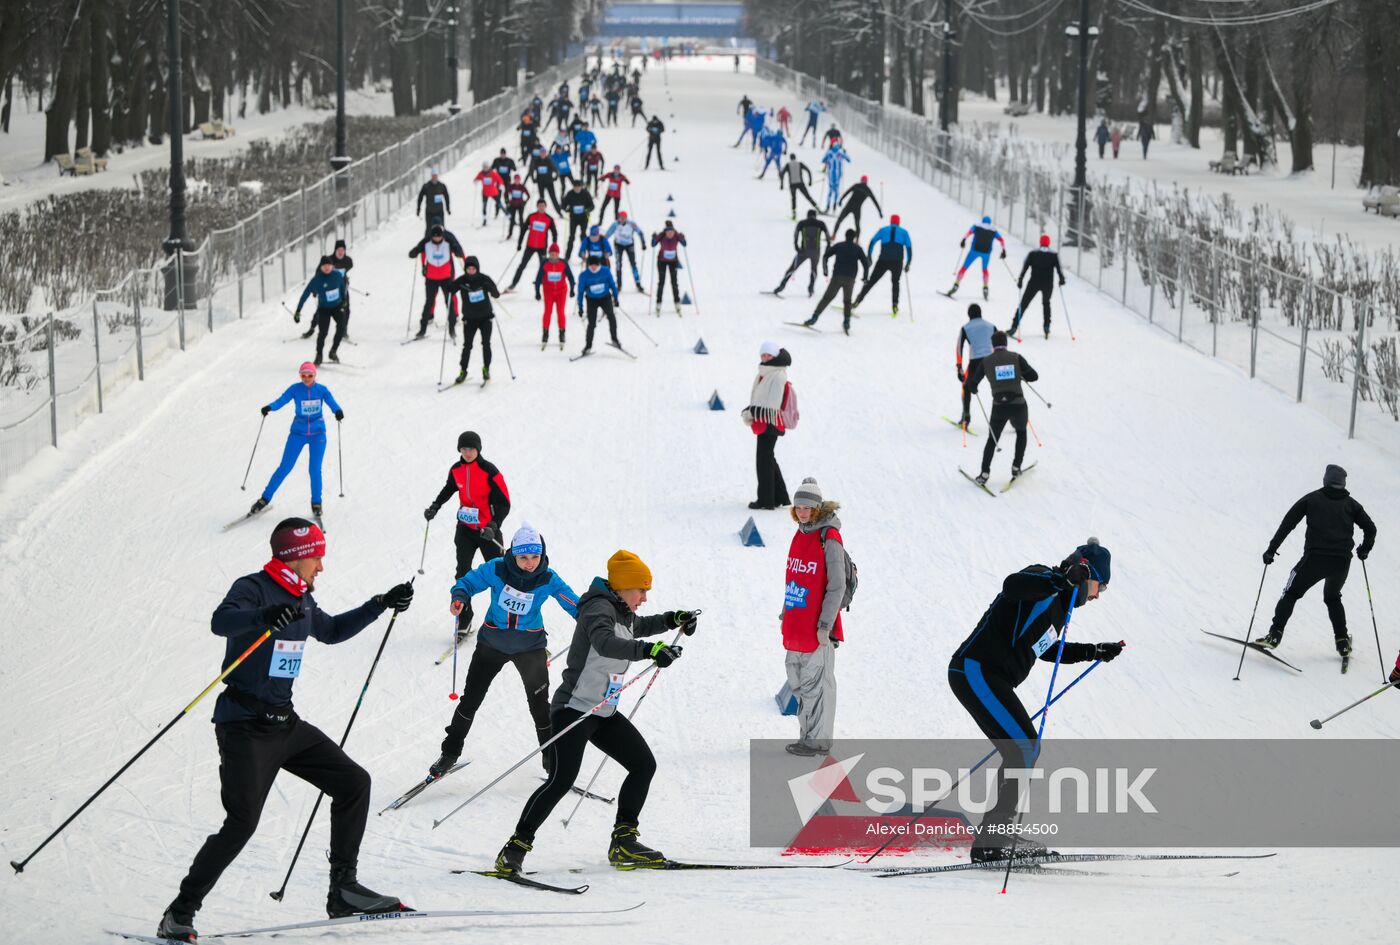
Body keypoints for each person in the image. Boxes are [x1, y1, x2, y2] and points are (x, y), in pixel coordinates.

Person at [155, 520, 415, 943]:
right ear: (297, 556)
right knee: (241, 824)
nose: (321, 567)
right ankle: (179, 913)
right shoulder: (255, 588)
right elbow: (221, 622)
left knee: (353, 782)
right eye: (318, 557)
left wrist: (380, 603)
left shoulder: (302, 597)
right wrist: (263, 616)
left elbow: (330, 632)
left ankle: (343, 891)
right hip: (244, 727)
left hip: (284, 724)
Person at [493, 551, 697, 875]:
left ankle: (624, 843)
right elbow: (605, 643)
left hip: (601, 711)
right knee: (562, 779)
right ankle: (514, 849)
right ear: (624, 587)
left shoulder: (622, 610)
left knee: (643, 765)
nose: (644, 598)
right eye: (641, 590)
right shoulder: (597, 608)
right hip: (573, 709)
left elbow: (639, 626)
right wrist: (649, 651)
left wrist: (674, 619)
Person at [948, 539, 1120, 862]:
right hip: (976, 670)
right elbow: (1012, 585)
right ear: (1087, 575)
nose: (1098, 596)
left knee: (1024, 747)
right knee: (1025, 746)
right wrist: (1061, 579)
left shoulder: (1058, 607)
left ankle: (994, 838)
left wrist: (1093, 651)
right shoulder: (1043, 580)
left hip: (989, 677)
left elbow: (1048, 649)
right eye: (1102, 586)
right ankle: (993, 842)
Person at [428, 523, 581, 779]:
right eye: (523, 557)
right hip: (492, 645)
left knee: (540, 706)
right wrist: (460, 598)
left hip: (530, 648)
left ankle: (550, 756)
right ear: (513, 554)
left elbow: (574, 604)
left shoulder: (548, 578)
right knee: (471, 700)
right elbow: (467, 582)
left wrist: (594, 620)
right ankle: (450, 753)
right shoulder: (497, 568)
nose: (530, 563)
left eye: (535, 557)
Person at [1256, 465, 1376, 660]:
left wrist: (1271, 549)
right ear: (1343, 483)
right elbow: (1371, 529)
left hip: (1314, 560)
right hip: (1341, 563)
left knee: (1291, 593)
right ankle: (1342, 642)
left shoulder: (1312, 499)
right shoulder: (1352, 505)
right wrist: (1364, 549)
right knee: (1332, 597)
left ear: (1325, 480)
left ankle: (1274, 635)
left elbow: (1288, 524)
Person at [781, 477, 846, 757]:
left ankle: (816, 741)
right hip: (796, 622)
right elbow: (795, 576)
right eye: (798, 506)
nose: (803, 511)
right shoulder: (801, 532)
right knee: (797, 681)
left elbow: (837, 584)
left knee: (817, 685)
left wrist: (825, 624)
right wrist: (786, 611)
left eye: (808, 507)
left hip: (817, 627)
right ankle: (807, 736)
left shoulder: (828, 537)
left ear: (818, 507)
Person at [424, 431, 511, 628]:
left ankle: (503, 619)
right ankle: (465, 619)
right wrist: (435, 507)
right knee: (462, 574)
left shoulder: (489, 471)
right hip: (465, 530)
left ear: (478, 449)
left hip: (487, 531)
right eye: (464, 449)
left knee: (500, 574)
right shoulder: (456, 470)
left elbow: (504, 503)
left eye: (471, 449)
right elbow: (448, 489)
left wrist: (494, 524)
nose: (468, 452)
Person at [250, 362, 342, 518]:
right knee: (285, 467)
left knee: (314, 469)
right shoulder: (295, 389)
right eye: (303, 375)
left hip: (318, 434)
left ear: (315, 376)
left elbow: (332, 402)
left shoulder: (321, 390)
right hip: (298, 433)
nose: (306, 378)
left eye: (310, 375)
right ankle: (264, 498)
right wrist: (270, 407)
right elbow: (282, 400)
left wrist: (337, 411)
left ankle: (316, 502)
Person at [969, 331, 1038, 485]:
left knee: (992, 440)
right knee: (1021, 433)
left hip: (999, 407)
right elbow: (1034, 376)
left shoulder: (986, 361)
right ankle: (1016, 467)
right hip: (1018, 405)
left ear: (992, 345)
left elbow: (972, 384)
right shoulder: (1016, 357)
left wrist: (974, 389)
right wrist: (1021, 374)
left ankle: (984, 473)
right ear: (1006, 343)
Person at [742, 341, 793, 510]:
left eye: (768, 355)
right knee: (768, 458)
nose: (765, 357)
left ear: (775, 356)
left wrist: (753, 412)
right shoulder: (764, 372)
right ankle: (779, 496)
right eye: (763, 355)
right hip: (763, 421)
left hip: (770, 422)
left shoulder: (778, 374)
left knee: (763, 461)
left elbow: (773, 403)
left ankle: (765, 500)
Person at [805, 229, 869, 333]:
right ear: (854, 237)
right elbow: (865, 263)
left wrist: (825, 270)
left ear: (845, 235)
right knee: (847, 301)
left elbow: (826, 256)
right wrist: (865, 277)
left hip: (837, 276)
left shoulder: (839, 246)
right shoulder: (858, 248)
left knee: (827, 298)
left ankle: (814, 317)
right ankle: (847, 322)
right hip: (850, 278)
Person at [452, 256, 502, 385]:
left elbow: (496, 294)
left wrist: (491, 288)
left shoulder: (484, 279)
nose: (471, 271)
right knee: (467, 346)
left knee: (486, 343)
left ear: (477, 268)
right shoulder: (462, 281)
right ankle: (463, 371)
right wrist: (449, 287)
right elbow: (451, 289)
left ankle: (486, 368)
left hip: (485, 317)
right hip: (469, 319)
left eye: (473, 268)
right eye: (469, 269)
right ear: (466, 269)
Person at [409, 225, 465, 339]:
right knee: (429, 303)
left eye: (439, 237)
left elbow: (459, 252)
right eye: (435, 237)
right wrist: (415, 252)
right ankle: (422, 329)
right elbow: (413, 252)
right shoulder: (426, 244)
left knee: (449, 303)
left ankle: (452, 329)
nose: (437, 239)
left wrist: (457, 250)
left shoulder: (448, 243)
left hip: (446, 278)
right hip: (431, 279)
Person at [292, 256, 348, 366]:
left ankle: (333, 352)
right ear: (321, 267)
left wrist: (344, 300)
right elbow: (305, 295)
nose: (327, 267)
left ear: (332, 266)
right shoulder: (316, 280)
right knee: (323, 333)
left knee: (341, 327)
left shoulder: (337, 275)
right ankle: (319, 355)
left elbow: (342, 287)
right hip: (324, 309)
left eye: (329, 265)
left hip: (337, 306)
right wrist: (298, 311)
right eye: (324, 266)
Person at [854, 214, 912, 315]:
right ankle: (895, 305)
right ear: (898, 222)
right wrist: (908, 264)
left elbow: (872, 242)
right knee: (895, 282)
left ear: (891, 221)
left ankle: (857, 302)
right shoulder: (904, 232)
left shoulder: (883, 230)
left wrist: (869, 256)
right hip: (897, 262)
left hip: (883, 261)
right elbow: (909, 249)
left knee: (871, 282)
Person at [1011, 235, 1066, 339]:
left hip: (1034, 282)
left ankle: (1014, 327)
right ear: (1048, 243)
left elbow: (1025, 266)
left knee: (1024, 303)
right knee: (1046, 303)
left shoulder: (1033, 253)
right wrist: (1061, 279)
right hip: (1047, 284)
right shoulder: (1054, 255)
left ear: (1040, 242)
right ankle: (1046, 326)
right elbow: (1059, 268)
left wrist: (1021, 279)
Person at [955, 304, 997, 429]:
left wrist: (959, 367)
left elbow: (959, 348)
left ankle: (966, 416)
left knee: (966, 387)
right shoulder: (991, 326)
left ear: (969, 315)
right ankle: (1012, 416)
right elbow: (1000, 345)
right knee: (1002, 385)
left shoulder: (965, 328)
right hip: (992, 360)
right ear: (980, 313)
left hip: (975, 363)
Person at [773, 209, 829, 297]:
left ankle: (781, 286)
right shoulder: (821, 223)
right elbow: (827, 235)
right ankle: (811, 287)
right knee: (814, 269)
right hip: (816, 251)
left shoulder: (802, 223)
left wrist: (796, 245)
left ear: (807, 215)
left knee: (792, 268)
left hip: (803, 251)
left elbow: (796, 234)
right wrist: (828, 246)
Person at [949, 216, 1006, 300]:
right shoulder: (993, 230)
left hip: (974, 250)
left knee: (964, 267)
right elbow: (1001, 240)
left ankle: (956, 285)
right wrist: (1003, 250)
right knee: (985, 269)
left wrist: (964, 240)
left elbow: (968, 233)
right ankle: (985, 287)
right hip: (986, 253)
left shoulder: (977, 226)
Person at [577, 254, 622, 354]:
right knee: (591, 324)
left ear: (599, 265)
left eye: (595, 265)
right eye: (591, 265)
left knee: (612, 317)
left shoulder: (605, 271)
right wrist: (580, 307)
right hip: (591, 300)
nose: (593, 267)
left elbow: (612, 284)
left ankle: (614, 339)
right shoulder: (584, 275)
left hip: (605, 298)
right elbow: (580, 291)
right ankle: (588, 346)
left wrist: (616, 298)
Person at [509, 200, 557, 289]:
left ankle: (544, 284)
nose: (541, 208)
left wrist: (554, 247)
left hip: (542, 247)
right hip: (530, 246)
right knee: (522, 265)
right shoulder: (531, 217)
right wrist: (519, 243)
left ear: (545, 207)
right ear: (537, 206)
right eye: (540, 206)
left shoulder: (549, 219)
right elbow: (523, 230)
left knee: (544, 267)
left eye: (543, 206)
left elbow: (554, 233)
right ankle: (513, 284)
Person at [535, 243, 575, 348]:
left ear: (558, 254)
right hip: (548, 292)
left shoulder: (563, 263)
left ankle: (562, 333)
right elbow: (538, 279)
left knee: (560, 312)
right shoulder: (545, 264)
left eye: (555, 254)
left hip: (561, 292)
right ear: (549, 254)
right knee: (548, 312)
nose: (553, 256)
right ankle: (545, 333)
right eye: (551, 254)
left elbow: (571, 277)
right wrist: (537, 292)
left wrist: (572, 289)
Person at [651, 219, 687, 313]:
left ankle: (677, 303)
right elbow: (653, 244)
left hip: (673, 262)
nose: (670, 234)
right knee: (661, 282)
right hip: (661, 261)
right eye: (668, 232)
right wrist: (654, 238)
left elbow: (684, 244)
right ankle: (658, 303)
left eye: (671, 231)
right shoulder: (662, 235)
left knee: (674, 282)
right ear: (665, 231)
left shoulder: (676, 235)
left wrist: (683, 238)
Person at [607, 211, 647, 292]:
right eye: (620, 218)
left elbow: (640, 233)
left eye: (623, 218)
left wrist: (643, 244)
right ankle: (619, 285)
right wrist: (602, 244)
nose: (622, 220)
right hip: (618, 245)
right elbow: (607, 234)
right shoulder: (615, 224)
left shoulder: (631, 223)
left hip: (629, 245)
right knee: (618, 264)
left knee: (633, 264)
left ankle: (638, 283)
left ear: (626, 218)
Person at [833, 175, 883, 240]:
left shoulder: (856, 185)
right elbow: (875, 201)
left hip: (848, 206)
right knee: (857, 225)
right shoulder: (868, 190)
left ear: (861, 180)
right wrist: (879, 212)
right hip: (857, 209)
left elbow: (847, 192)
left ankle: (833, 235)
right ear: (866, 182)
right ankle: (857, 240)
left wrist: (841, 200)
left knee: (839, 220)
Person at [560, 178, 595, 258]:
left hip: (584, 218)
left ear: (581, 187)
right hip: (574, 218)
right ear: (573, 187)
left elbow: (592, 206)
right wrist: (566, 209)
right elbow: (563, 205)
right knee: (571, 236)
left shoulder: (585, 193)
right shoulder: (570, 194)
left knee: (583, 235)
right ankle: (567, 256)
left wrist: (587, 209)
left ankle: (584, 253)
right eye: (576, 187)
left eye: (579, 187)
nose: (577, 188)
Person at [778, 154, 820, 219]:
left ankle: (794, 214)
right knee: (808, 196)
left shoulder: (788, 165)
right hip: (800, 183)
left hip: (792, 185)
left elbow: (782, 174)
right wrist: (810, 181)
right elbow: (808, 170)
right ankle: (817, 208)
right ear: (795, 158)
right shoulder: (799, 164)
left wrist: (781, 185)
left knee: (793, 199)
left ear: (790, 158)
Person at [529, 147, 562, 214]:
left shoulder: (548, 160)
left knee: (553, 197)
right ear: (540, 154)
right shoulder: (536, 160)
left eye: (544, 153)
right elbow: (531, 170)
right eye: (541, 153)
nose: (543, 154)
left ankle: (559, 212)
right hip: (540, 182)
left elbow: (556, 169)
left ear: (545, 153)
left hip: (549, 181)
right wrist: (533, 178)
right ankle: (541, 213)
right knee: (541, 199)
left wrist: (556, 177)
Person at [821, 144, 850, 212]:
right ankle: (834, 206)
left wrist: (827, 160)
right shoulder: (840, 152)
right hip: (837, 175)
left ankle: (828, 206)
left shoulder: (829, 152)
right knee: (836, 190)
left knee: (830, 190)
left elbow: (823, 160)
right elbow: (848, 159)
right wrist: (845, 153)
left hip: (831, 174)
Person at [505, 175, 531, 245]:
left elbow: (528, 195)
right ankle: (510, 234)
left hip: (520, 205)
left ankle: (522, 234)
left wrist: (524, 202)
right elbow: (506, 193)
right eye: (516, 179)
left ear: (520, 180)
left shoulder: (522, 187)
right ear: (514, 180)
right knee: (512, 220)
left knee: (521, 220)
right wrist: (507, 201)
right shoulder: (511, 186)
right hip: (512, 205)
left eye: (518, 180)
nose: (517, 181)